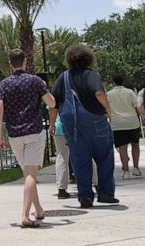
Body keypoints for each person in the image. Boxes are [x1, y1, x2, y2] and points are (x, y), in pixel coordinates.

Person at [50, 44, 117, 208]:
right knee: (104, 157)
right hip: (94, 121)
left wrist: (52, 123)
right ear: (88, 58)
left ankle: (85, 197)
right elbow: (99, 93)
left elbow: (53, 103)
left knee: (79, 160)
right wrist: (108, 110)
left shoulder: (63, 77)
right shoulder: (91, 75)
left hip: (72, 125)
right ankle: (105, 193)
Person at [0, 49, 56, 228]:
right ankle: (24, 215)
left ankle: (38, 209)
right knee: (31, 174)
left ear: (9, 63)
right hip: (34, 131)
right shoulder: (36, 81)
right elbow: (51, 102)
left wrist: (0, 136)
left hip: (15, 134)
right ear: (25, 61)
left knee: (28, 173)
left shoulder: (3, 85)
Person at [107, 75, 142, 179]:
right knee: (135, 145)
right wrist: (141, 117)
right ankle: (136, 168)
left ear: (113, 83)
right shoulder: (130, 92)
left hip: (118, 123)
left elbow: (106, 109)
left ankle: (126, 171)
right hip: (132, 122)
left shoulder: (108, 94)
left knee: (122, 148)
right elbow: (137, 106)